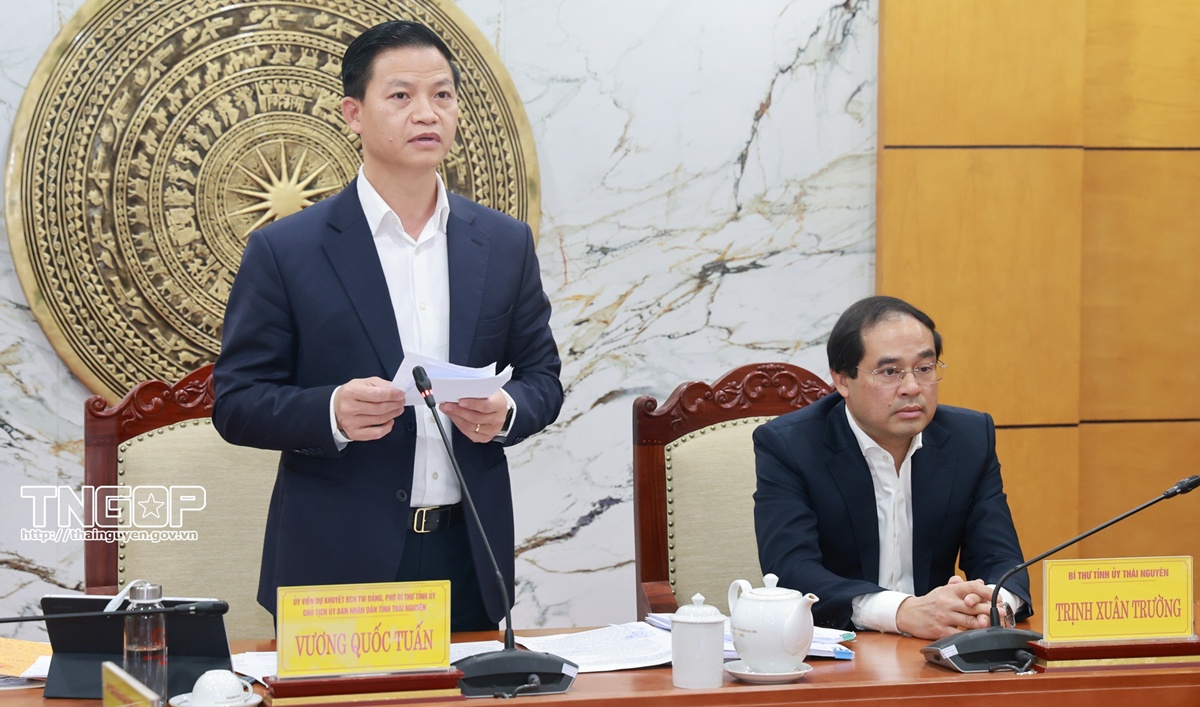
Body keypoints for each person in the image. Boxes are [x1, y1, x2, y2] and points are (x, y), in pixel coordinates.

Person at [212, 20, 562, 632]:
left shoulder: (503, 243)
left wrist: (506, 411)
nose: (427, 112)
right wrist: (331, 412)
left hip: (468, 557)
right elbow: (236, 402)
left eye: (442, 94)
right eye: (401, 95)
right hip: (338, 560)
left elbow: (543, 379)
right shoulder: (286, 250)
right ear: (354, 113)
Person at [753, 296, 1030, 640]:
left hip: (934, 648)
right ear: (842, 380)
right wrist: (901, 611)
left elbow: (1000, 558)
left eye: (924, 369)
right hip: (839, 648)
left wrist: (990, 603)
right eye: (889, 372)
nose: (912, 388)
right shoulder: (790, 446)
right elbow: (791, 570)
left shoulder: (969, 439)